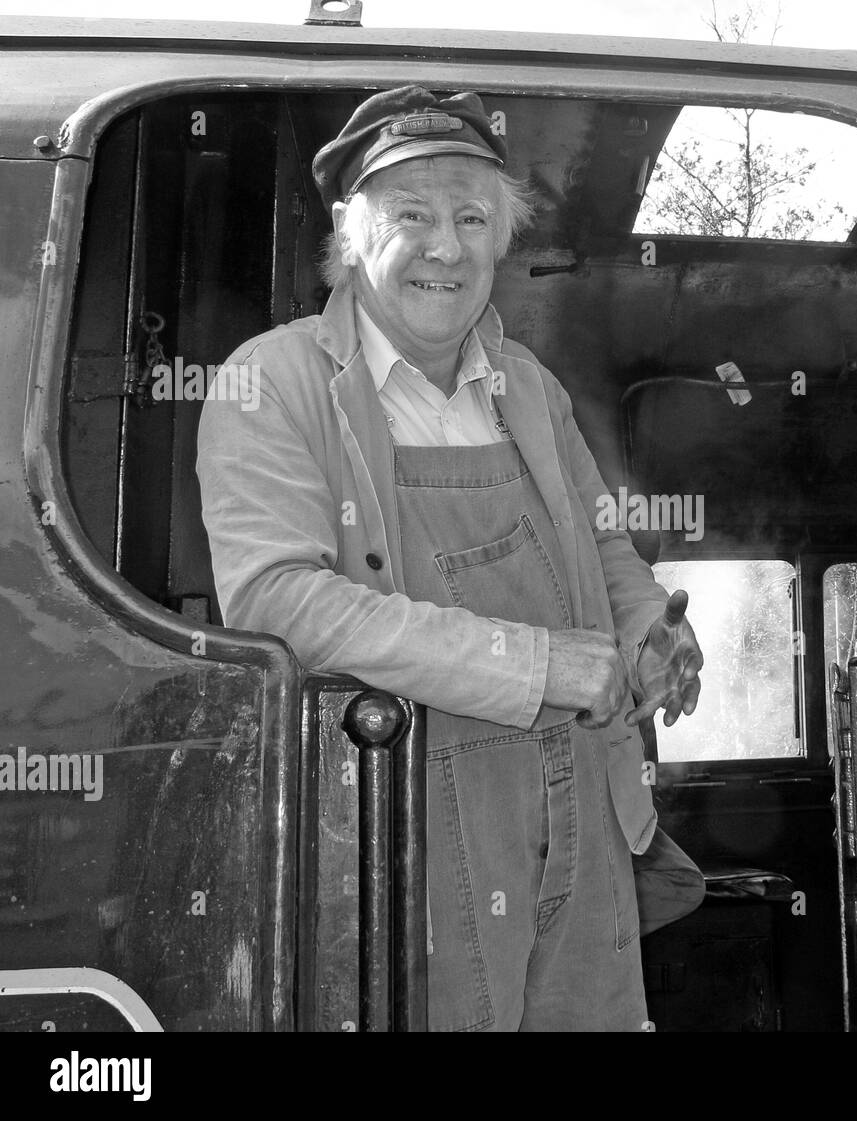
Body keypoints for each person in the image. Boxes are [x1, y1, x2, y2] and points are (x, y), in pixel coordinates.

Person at [197, 87, 705, 1031]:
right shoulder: (272, 380)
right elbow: (278, 601)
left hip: (586, 806)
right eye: (414, 215)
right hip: (404, 824)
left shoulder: (530, 387)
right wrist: (541, 663)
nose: (447, 247)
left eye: (474, 218)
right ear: (351, 232)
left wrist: (645, 634)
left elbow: (602, 543)